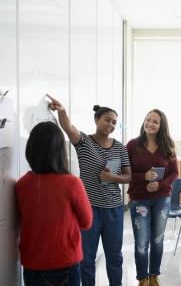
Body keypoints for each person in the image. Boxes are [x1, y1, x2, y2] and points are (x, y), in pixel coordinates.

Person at [47, 95, 131, 286]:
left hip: (114, 209)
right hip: (89, 209)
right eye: (107, 120)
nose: (111, 124)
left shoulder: (120, 147)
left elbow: (128, 176)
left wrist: (113, 178)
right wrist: (62, 111)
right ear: (97, 120)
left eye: (114, 122)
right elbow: (68, 128)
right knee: (86, 259)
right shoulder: (84, 142)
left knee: (114, 257)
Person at [16, 121, 93, 286]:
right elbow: (87, 222)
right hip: (64, 262)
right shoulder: (71, 183)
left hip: (31, 264)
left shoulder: (21, 184)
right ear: (60, 151)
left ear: (30, 149)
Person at [126, 109, 179, 286]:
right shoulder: (133, 145)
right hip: (138, 199)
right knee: (141, 242)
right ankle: (142, 278)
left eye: (155, 121)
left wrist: (160, 184)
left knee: (157, 239)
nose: (150, 123)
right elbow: (124, 172)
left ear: (161, 126)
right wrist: (143, 177)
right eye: (148, 120)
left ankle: (154, 275)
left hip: (161, 199)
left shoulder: (168, 145)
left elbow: (174, 173)